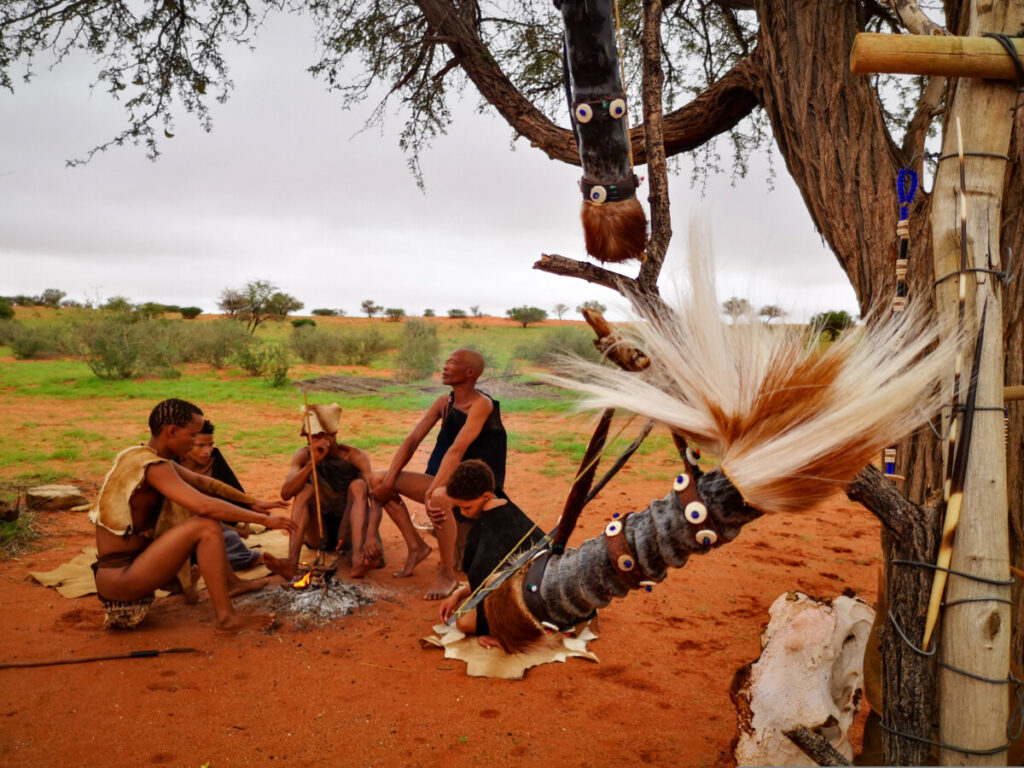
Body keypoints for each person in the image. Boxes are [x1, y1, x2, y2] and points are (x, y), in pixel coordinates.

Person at [89, 398, 298, 632]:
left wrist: (253, 503)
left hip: (131, 569)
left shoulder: (144, 455)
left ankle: (229, 584)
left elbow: (203, 482)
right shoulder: (154, 467)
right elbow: (205, 505)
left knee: (202, 516)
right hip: (123, 579)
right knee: (205, 524)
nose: (195, 443)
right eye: (192, 436)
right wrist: (264, 520)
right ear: (172, 431)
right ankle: (227, 619)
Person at [371, 348, 508, 600]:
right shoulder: (443, 403)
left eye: (452, 363)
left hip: (475, 485)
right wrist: (390, 480)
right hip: (445, 477)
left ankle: (447, 574)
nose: (445, 366)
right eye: (445, 361)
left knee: (439, 498)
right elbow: (412, 440)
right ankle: (416, 546)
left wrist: (433, 489)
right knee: (377, 479)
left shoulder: (482, 405)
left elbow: (457, 450)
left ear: (469, 373)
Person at [437, 460, 543, 647]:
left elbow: (486, 577)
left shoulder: (496, 529)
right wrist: (459, 594)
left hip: (537, 597)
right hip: (534, 584)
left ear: (486, 496)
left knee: (464, 622)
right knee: (466, 609)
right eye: (459, 508)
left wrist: (489, 630)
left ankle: (505, 634)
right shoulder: (502, 505)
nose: (464, 514)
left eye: (467, 507)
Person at [280, 403, 378, 579]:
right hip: (318, 532)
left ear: (333, 435)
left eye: (322, 435)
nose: (317, 441)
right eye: (313, 436)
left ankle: (357, 560)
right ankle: (291, 563)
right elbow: (286, 493)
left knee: (359, 486)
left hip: (347, 530)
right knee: (305, 490)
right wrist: (312, 464)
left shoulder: (355, 456)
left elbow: (376, 496)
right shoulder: (303, 455)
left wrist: (371, 535)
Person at [178, 419, 263, 571]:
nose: (207, 451)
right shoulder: (172, 464)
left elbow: (233, 492)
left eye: (210, 445)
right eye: (200, 446)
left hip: (214, 520)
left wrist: (250, 507)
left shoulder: (213, 460)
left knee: (226, 539)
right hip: (182, 526)